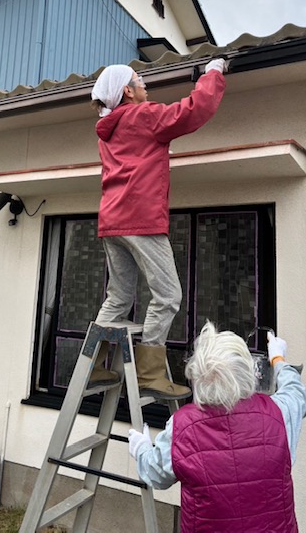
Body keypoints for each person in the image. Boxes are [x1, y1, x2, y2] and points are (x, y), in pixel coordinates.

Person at [88, 60, 228, 398]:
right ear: (127, 91)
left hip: (112, 220)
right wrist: (213, 73)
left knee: (119, 296)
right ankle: (149, 374)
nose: (145, 83)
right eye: (140, 79)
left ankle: (94, 366)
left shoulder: (108, 129)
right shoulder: (142, 115)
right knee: (168, 295)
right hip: (140, 217)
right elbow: (192, 111)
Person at [128, 321, 306, 532]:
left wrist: (141, 448)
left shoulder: (183, 427)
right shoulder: (278, 413)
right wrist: (277, 358)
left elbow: (156, 474)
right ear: (248, 372)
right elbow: (295, 392)